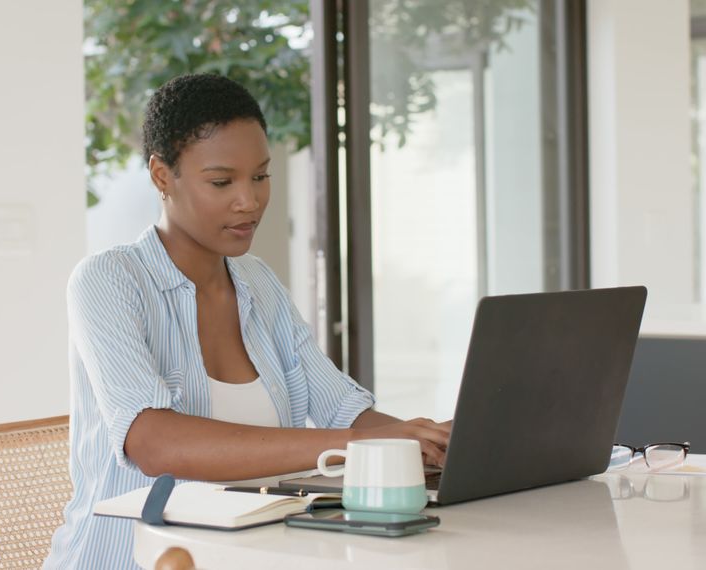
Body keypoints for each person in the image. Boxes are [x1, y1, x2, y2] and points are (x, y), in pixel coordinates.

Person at [44, 73, 451, 569]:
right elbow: (154, 443)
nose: (249, 201)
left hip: (258, 556)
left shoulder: (257, 283)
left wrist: (432, 441)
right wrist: (358, 446)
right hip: (141, 561)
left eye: (260, 176)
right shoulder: (107, 281)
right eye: (222, 182)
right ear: (161, 176)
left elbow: (343, 410)